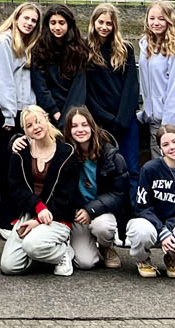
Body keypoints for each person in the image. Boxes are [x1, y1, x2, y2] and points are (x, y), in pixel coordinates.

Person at [137, 0, 175, 220]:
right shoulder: (144, 45)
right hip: (155, 120)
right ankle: (164, 227)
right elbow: (147, 84)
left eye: (161, 18)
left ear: (169, 20)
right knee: (162, 176)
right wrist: (147, 112)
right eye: (152, 18)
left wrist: (168, 129)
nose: (156, 22)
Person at [0, 105, 78, 278]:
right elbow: (16, 189)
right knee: (9, 266)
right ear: (25, 131)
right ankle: (42, 252)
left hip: (57, 217)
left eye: (38, 121)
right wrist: (37, 209)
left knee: (32, 245)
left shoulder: (67, 153)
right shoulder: (20, 152)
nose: (35, 127)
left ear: (46, 119)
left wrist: (40, 219)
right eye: (29, 125)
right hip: (31, 212)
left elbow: (67, 197)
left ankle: (62, 253)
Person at [0, 2, 39, 230]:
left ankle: (17, 214)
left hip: (25, 112)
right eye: (25, 18)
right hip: (6, 114)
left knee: (23, 167)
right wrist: (8, 116)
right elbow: (4, 80)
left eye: (34, 21)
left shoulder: (28, 45)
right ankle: (5, 220)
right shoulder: (4, 41)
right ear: (16, 18)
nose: (29, 23)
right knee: (7, 167)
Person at [127, 125, 175, 278]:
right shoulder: (150, 169)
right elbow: (141, 207)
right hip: (147, 221)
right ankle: (143, 259)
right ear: (160, 149)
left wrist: (168, 230)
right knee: (141, 232)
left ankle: (174, 258)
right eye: (166, 144)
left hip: (172, 224)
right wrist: (162, 231)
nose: (172, 147)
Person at [62, 106, 128, 270]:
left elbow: (119, 193)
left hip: (101, 211)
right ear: (68, 131)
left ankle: (106, 247)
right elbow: (39, 137)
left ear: (92, 126)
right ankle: (76, 244)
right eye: (74, 126)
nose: (80, 130)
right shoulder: (65, 152)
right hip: (77, 214)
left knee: (103, 228)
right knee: (86, 263)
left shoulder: (110, 154)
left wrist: (91, 210)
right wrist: (16, 140)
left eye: (84, 125)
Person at [84, 3, 140, 195]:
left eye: (109, 23)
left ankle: (131, 213)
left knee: (131, 168)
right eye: (101, 22)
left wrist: (122, 119)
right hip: (99, 120)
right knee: (103, 169)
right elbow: (87, 92)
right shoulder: (85, 50)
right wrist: (104, 118)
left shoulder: (126, 49)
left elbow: (132, 86)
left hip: (125, 120)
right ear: (93, 22)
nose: (104, 27)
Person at [29, 4, 88, 125]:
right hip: (49, 112)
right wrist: (54, 111)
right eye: (53, 23)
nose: (57, 27)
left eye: (61, 23)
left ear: (69, 24)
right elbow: (40, 86)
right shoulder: (39, 49)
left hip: (74, 111)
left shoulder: (79, 49)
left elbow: (79, 86)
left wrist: (70, 114)